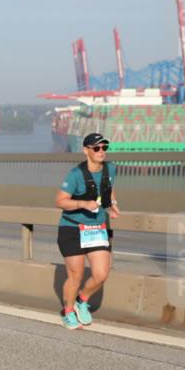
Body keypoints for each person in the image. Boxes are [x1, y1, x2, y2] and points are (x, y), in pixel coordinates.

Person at [55, 132, 120, 330]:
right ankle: (67, 312)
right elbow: (60, 201)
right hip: (72, 229)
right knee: (75, 275)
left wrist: (113, 203)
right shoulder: (75, 175)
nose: (101, 151)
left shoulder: (111, 168)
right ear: (86, 151)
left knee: (101, 274)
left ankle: (82, 301)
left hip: (96, 228)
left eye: (104, 148)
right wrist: (83, 203)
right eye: (96, 148)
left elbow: (108, 188)